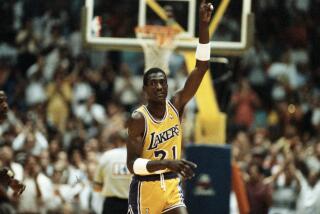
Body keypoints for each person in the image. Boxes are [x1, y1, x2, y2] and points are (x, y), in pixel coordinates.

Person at [126, 1, 213, 213]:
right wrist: (167, 164)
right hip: (145, 189)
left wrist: (203, 25)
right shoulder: (138, 118)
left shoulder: (177, 104)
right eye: (153, 83)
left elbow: (201, 67)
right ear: (145, 89)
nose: (159, 86)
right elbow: (132, 165)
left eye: (162, 82)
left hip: (172, 186)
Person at [94, 131, 132, 214]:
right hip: (131, 205)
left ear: (118, 141)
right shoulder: (137, 157)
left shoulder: (106, 156)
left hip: (110, 204)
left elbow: (97, 186)